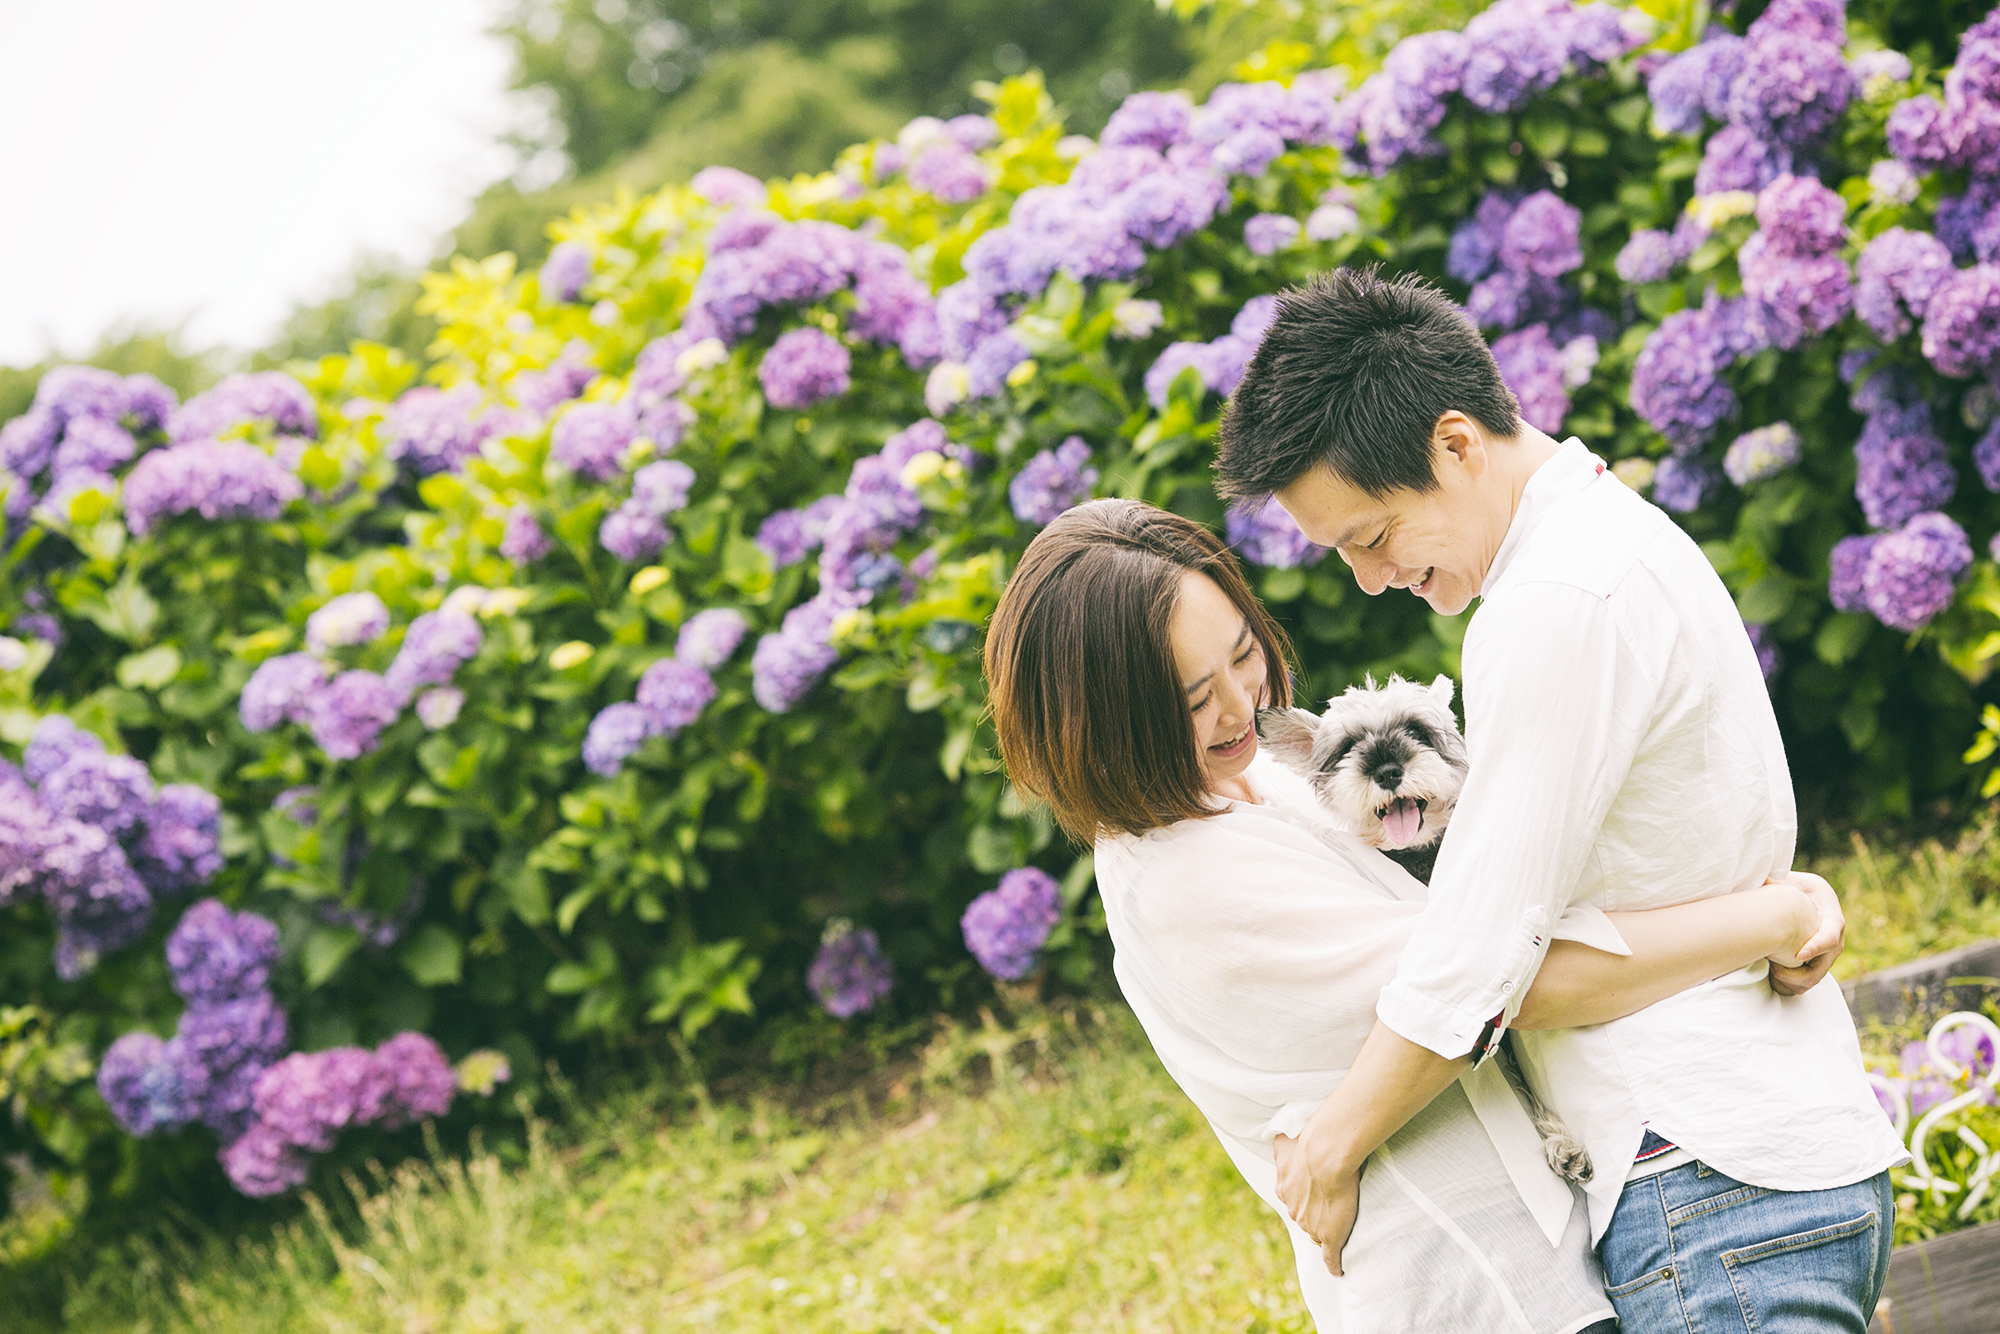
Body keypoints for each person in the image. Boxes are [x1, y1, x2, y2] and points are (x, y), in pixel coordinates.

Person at [1215, 266, 1908, 1333]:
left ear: (1454, 444)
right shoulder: (1608, 534)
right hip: (1758, 1159)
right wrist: (1779, 908)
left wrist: (1329, 1145)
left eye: (1372, 535)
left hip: (1703, 1182)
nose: (1368, 577)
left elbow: (1484, 962)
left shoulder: (1549, 602)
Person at [982, 496, 1849, 1333]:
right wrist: (1773, 918)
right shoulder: (1182, 876)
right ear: (1099, 724)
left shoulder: (1265, 782)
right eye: (1189, 698)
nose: (1242, 706)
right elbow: (1503, 979)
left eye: (1243, 655)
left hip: (1551, 1254)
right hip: (1473, 1284)